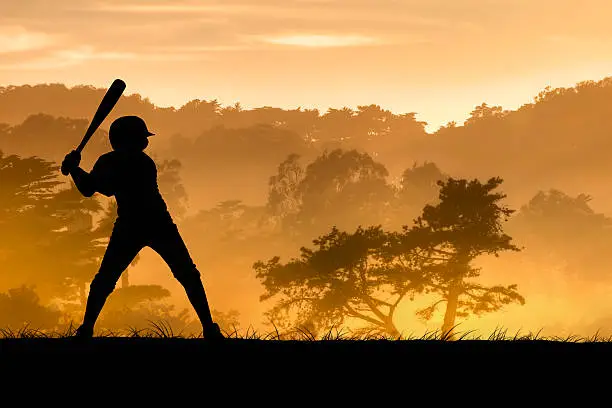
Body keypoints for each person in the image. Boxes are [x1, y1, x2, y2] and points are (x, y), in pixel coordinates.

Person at [61, 115, 223, 340]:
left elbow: (98, 188)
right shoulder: (117, 161)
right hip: (146, 224)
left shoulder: (137, 163)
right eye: (139, 139)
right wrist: (75, 170)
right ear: (126, 140)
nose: (144, 143)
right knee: (183, 274)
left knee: (185, 274)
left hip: (147, 224)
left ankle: (208, 327)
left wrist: (75, 169)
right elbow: (90, 189)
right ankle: (86, 328)